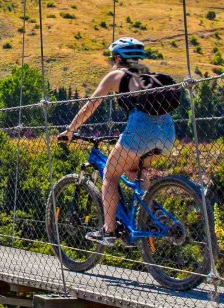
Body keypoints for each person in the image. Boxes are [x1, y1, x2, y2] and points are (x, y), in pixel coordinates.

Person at [56, 37, 176, 246]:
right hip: (167, 131)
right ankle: (155, 211)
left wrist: (70, 130)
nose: (112, 62)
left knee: (110, 175)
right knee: (132, 171)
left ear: (119, 58)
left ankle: (108, 231)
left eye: (113, 58)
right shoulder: (147, 75)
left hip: (140, 130)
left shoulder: (116, 76)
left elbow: (90, 106)